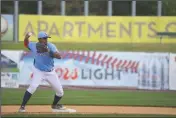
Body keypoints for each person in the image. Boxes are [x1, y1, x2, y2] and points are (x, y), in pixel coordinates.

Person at [19, 31, 65, 112]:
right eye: (44, 38)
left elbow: (59, 56)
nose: (46, 40)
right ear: (39, 39)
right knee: (32, 87)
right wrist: (26, 38)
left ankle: (54, 105)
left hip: (50, 72)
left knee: (60, 92)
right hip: (38, 71)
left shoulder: (51, 46)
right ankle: (22, 107)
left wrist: (49, 51)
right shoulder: (34, 45)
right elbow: (26, 44)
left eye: (47, 38)